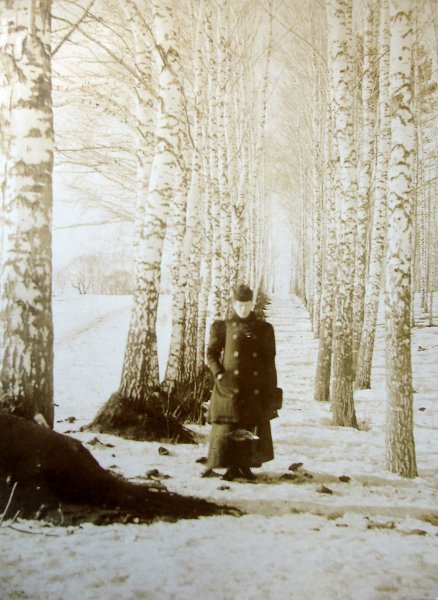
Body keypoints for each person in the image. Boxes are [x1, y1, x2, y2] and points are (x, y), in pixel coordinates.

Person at [204, 284, 278, 481]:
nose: (243, 309)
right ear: (233, 304)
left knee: (250, 426)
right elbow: (211, 353)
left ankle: (244, 466)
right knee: (230, 425)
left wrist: (271, 387)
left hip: (254, 386)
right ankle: (231, 467)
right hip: (230, 386)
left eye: (246, 304)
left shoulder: (264, 329)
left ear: (252, 304)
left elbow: (269, 361)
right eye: (239, 305)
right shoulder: (223, 327)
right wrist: (219, 374)